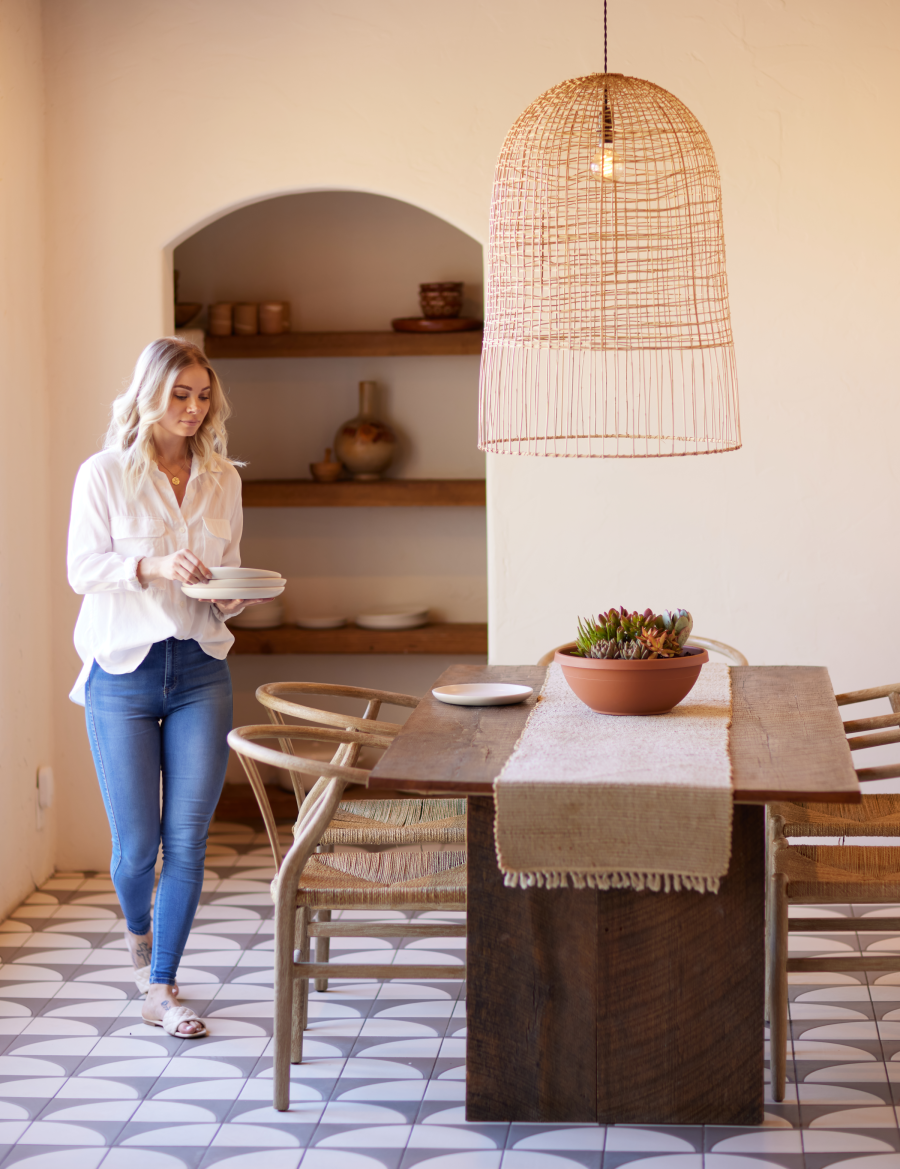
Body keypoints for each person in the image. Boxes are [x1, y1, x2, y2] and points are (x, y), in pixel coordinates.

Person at [67, 337, 264, 1038]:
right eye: (180, 394)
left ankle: (163, 985)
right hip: (121, 671)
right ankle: (139, 932)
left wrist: (231, 596)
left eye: (203, 395)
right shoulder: (105, 474)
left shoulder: (223, 478)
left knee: (187, 838)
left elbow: (226, 570)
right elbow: (83, 569)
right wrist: (151, 563)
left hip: (201, 668)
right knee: (135, 849)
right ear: (150, 394)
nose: (193, 408)